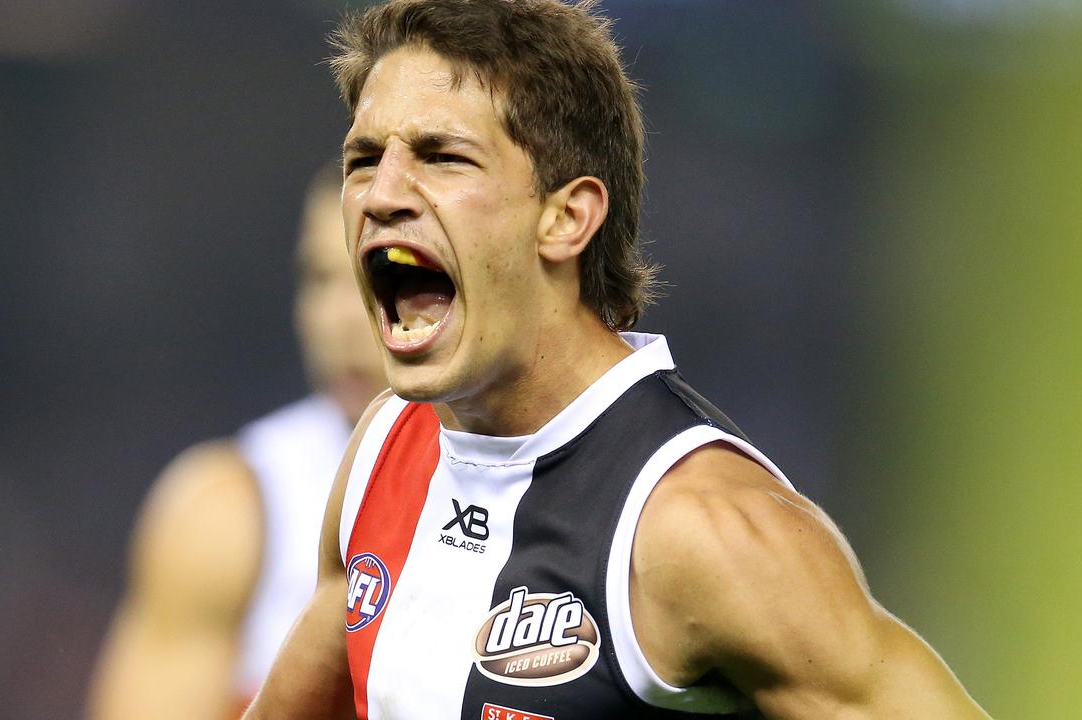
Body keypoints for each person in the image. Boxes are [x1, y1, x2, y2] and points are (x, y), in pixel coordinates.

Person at [243, 1, 994, 719]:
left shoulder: (700, 528)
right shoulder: (383, 450)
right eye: (364, 159)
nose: (383, 193)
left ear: (567, 217)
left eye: (443, 157)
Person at [88, 164, 387, 720]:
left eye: (377, 272)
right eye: (319, 278)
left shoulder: (568, 475)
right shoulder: (230, 511)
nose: (338, 320)